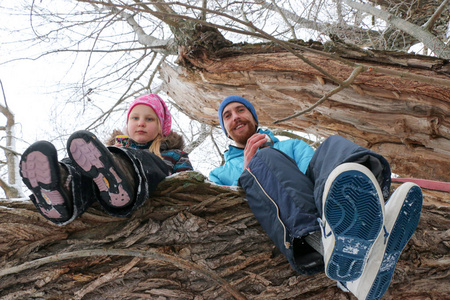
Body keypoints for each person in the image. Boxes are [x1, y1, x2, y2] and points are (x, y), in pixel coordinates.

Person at [209, 95, 423, 300]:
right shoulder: (219, 175)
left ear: (254, 118)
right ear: (226, 131)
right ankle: (330, 246)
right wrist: (251, 171)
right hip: (294, 228)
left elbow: (319, 178)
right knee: (263, 159)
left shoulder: (292, 146)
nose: (235, 116)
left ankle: (372, 217)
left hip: (313, 199)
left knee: (333, 145)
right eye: (227, 116)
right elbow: (235, 209)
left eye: (240, 110)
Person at [20, 93, 193, 225]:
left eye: (149, 119)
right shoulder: (107, 151)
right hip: (105, 196)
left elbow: (190, 186)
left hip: (147, 193)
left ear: (162, 126)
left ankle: (122, 173)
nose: (141, 123)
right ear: (127, 123)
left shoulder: (173, 154)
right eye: (135, 118)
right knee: (85, 163)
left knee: (142, 159)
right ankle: (62, 185)